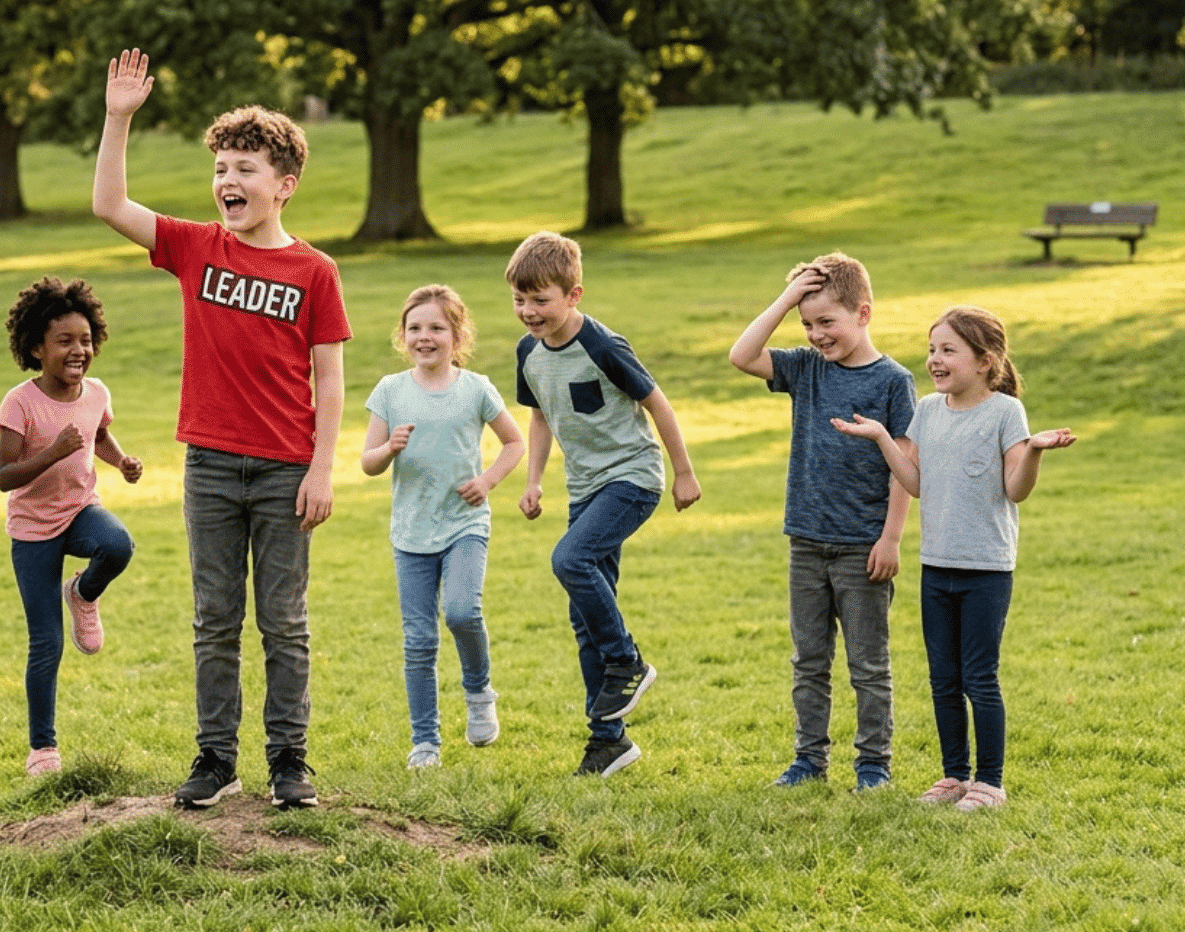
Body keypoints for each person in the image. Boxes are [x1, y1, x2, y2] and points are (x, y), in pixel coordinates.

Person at [93, 48, 351, 809]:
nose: (228, 182)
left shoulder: (315, 272)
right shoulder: (196, 247)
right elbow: (111, 206)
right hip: (209, 466)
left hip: (284, 469)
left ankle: (289, 763)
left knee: (284, 623)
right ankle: (215, 759)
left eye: (245, 169)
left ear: (284, 185)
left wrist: (322, 468)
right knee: (214, 620)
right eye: (221, 169)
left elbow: (330, 378)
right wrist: (117, 119)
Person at [832, 306, 1074, 811]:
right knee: (943, 676)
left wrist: (1034, 450)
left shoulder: (1005, 413)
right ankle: (953, 776)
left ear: (985, 361)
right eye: (931, 349)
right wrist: (881, 436)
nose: (935, 360)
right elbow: (915, 483)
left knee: (978, 676)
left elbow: (1015, 489)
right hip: (936, 566)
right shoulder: (927, 410)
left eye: (948, 351)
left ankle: (990, 782)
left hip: (986, 568)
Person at [508, 231, 701, 779]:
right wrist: (534, 481)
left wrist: (684, 473)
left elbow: (656, 403)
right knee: (581, 616)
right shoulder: (528, 353)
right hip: (585, 488)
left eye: (541, 300)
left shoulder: (603, 345)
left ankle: (627, 660)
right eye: (520, 300)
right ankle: (608, 742)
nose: (529, 312)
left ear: (574, 295)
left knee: (570, 561)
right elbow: (542, 414)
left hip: (632, 480)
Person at [728, 252, 914, 791]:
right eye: (806, 325)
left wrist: (891, 538)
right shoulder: (806, 369)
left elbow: (904, 467)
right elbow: (742, 355)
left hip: (863, 547)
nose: (815, 335)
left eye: (826, 321)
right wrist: (787, 299)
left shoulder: (893, 381)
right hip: (806, 542)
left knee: (868, 666)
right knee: (809, 661)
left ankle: (873, 765)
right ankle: (809, 760)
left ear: (864, 313)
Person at [361, 285, 525, 770]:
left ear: (457, 335)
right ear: (403, 335)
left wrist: (488, 480)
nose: (424, 337)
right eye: (415, 328)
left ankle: (478, 693)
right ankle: (425, 741)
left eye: (436, 328)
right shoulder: (390, 391)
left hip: (464, 524)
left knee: (460, 612)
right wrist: (388, 449)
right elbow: (367, 462)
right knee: (418, 640)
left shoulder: (475, 389)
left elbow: (513, 443)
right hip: (411, 533)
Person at [0, 277, 144, 776]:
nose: (78, 350)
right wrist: (53, 451)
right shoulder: (20, 403)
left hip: (80, 509)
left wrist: (121, 461)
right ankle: (43, 749)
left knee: (118, 545)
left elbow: (98, 434)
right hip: (33, 528)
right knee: (46, 643)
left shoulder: (96, 392)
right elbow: (4, 476)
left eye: (85, 340)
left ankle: (82, 592)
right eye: (64, 341)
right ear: (36, 347)